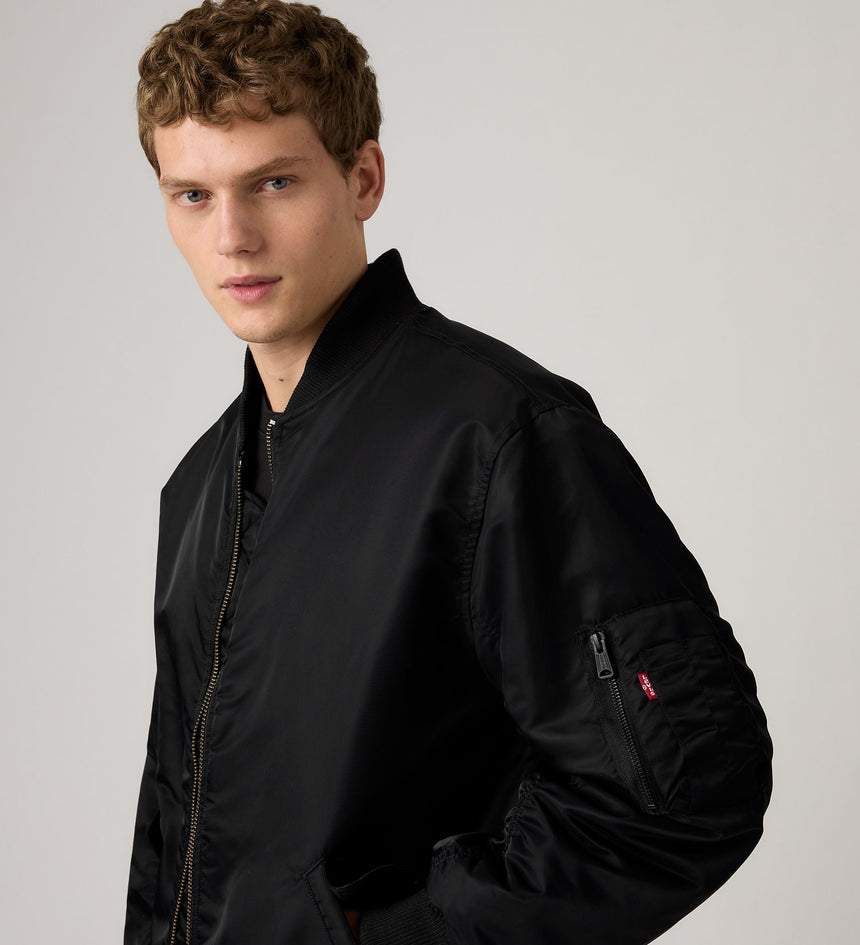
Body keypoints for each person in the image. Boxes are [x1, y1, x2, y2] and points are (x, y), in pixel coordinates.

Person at [125, 2, 772, 943]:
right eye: (192, 195)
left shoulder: (502, 439)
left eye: (273, 182)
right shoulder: (197, 491)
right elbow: (172, 840)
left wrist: (404, 934)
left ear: (363, 178)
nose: (233, 237)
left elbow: (686, 788)